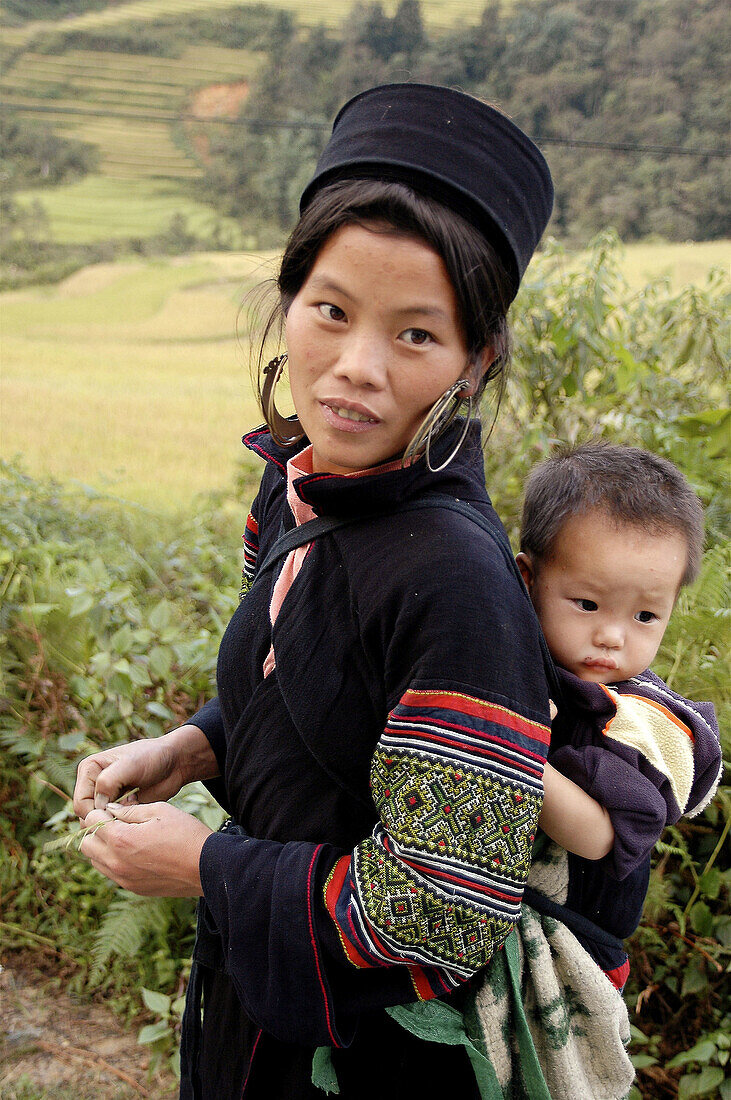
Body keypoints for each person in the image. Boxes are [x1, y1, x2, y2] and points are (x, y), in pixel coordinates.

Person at [73, 82, 558, 1098]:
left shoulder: (455, 585)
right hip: (260, 1009)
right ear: (288, 301)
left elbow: (439, 909)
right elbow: (296, 672)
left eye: (416, 336)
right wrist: (194, 744)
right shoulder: (299, 484)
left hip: (370, 1061)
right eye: (329, 311)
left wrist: (208, 866)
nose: (353, 369)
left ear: (475, 362)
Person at [472, 443, 721, 1096]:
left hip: (579, 945)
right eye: (585, 603)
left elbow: (598, 835)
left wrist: (516, 742)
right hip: (497, 924)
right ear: (527, 580)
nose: (613, 637)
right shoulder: (523, 662)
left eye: (644, 616)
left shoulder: (642, 719)